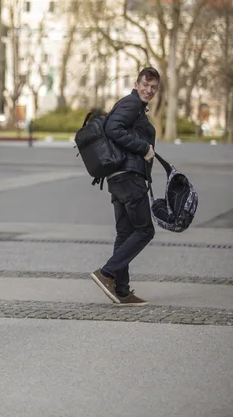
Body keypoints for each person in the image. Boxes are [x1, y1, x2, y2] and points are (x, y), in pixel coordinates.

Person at [90, 67, 160, 306]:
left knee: (125, 233)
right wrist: (144, 148)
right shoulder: (131, 104)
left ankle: (121, 291)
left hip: (120, 178)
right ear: (137, 83)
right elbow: (113, 129)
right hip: (129, 177)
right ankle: (107, 273)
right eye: (145, 84)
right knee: (145, 231)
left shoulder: (136, 107)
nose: (148, 90)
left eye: (153, 87)